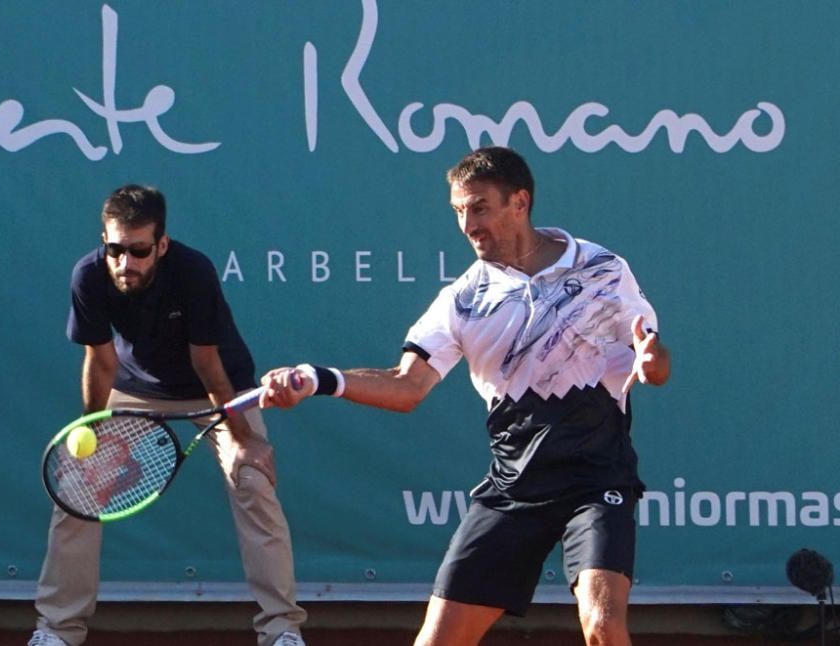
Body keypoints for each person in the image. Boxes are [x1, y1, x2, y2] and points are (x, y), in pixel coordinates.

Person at [260, 146, 670, 646]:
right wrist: (318, 379)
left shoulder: (602, 268)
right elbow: (407, 385)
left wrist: (651, 361)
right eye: (459, 211)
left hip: (597, 480)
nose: (468, 225)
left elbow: (655, 360)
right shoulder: (462, 300)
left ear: (519, 203)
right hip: (514, 487)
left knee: (602, 625)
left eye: (479, 208)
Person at [29, 185, 307, 646]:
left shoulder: (193, 271)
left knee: (253, 482)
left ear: (161, 244)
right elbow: (100, 361)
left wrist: (242, 439)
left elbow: (207, 363)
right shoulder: (88, 276)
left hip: (218, 388)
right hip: (136, 390)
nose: (125, 263)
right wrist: (93, 431)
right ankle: (57, 629)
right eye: (115, 250)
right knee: (78, 490)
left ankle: (282, 630)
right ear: (104, 241)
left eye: (139, 251)